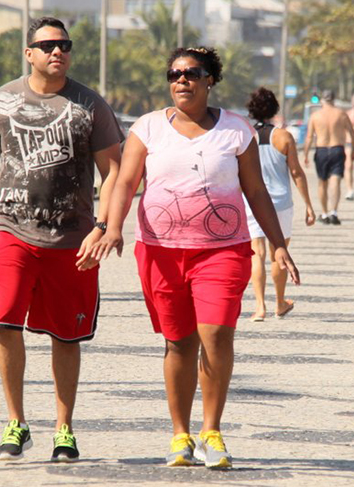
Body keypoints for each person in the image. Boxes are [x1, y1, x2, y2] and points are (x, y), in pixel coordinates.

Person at [87, 47, 299, 469]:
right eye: (174, 74)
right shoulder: (147, 128)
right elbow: (125, 183)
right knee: (179, 342)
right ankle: (180, 434)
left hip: (222, 250)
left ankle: (212, 432)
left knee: (217, 334)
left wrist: (278, 243)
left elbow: (255, 192)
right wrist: (110, 227)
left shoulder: (236, 131)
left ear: (210, 80)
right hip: (161, 252)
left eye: (191, 73)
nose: (181, 80)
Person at [0, 16, 123, 463]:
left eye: (64, 45)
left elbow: (115, 172)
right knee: (4, 322)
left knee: (65, 335)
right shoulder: (3, 100)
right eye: (47, 45)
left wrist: (106, 226)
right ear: (29, 53)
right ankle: (17, 421)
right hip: (12, 230)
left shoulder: (89, 105)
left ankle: (64, 428)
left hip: (73, 240)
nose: (57, 52)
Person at [245, 87, 315, 322]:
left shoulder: (245, 136)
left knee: (257, 253)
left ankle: (260, 307)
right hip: (281, 203)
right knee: (279, 253)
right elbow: (296, 172)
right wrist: (308, 205)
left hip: (252, 201)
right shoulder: (283, 137)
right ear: (274, 109)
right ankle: (279, 302)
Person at [303, 89, 354, 224]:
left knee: (322, 182)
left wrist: (305, 154)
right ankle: (334, 211)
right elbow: (352, 134)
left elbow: (309, 137)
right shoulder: (341, 114)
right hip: (337, 149)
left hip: (321, 150)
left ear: (322, 100)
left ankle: (324, 213)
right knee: (336, 181)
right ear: (333, 99)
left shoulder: (315, 116)